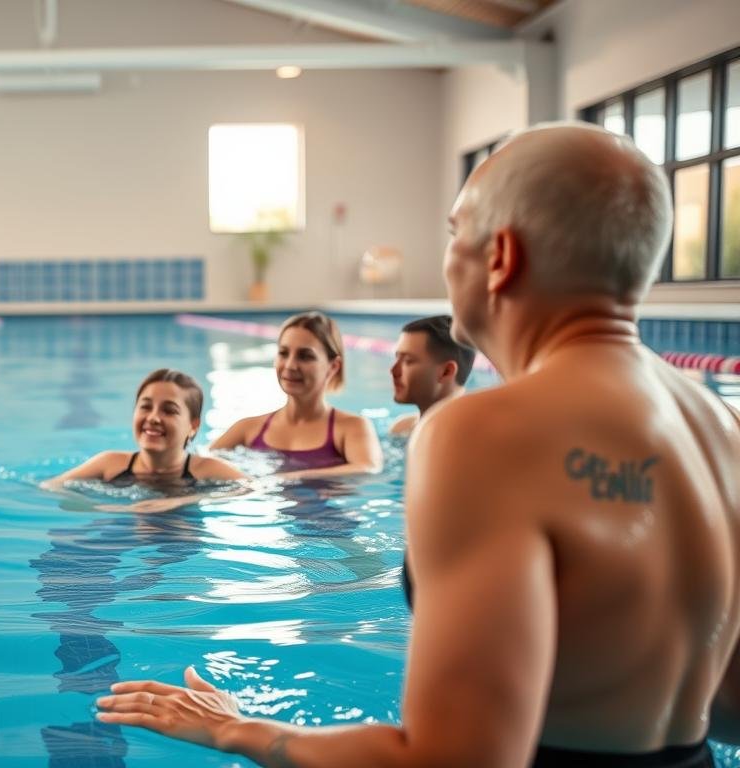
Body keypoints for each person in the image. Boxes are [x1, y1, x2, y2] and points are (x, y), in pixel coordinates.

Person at [95, 122, 740, 767]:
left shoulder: (480, 432)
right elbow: (728, 708)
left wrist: (234, 731)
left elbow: (455, 760)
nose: (447, 256)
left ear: (501, 257)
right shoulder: (719, 429)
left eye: (454, 233)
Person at [211, 311, 382, 477]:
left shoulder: (351, 427)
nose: (290, 365)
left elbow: (367, 468)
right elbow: (200, 464)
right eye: (283, 353)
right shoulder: (248, 429)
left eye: (305, 356)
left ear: (333, 366)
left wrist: (286, 479)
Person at [44, 368, 244, 491]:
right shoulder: (109, 464)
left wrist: (176, 502)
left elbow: (255, 489)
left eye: (169, 410)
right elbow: (51, 486)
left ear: (193, 426)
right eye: (145, 407)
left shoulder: (208, 469)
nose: (153, 418)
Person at [387, 314, 477, 437]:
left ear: (446, 372)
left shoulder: (470, 437)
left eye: (408, 361)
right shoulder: (401, 428)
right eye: (397, 358)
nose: (393, 370)